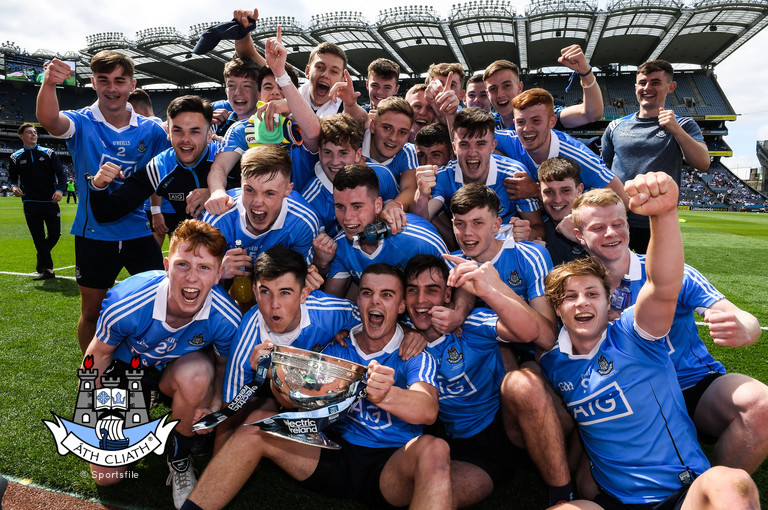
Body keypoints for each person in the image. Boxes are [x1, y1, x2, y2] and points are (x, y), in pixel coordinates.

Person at [540, 172, 759, 510]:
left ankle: (704, 492)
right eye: (598, 228)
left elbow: (669, 286)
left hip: (691, 381)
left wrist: (747, 326)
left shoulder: (658, 286)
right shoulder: (575, 309)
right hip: (622, 392)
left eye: (618, 223)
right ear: (579, 236)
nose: (611, 233)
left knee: (758, 413)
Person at [182, 263, 451, 510]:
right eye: (367, 293)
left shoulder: (413, 354)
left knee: (434, 448)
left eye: (387, 295)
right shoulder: (338, 345)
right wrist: (278, 373)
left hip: (390, 467)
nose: (376, 301)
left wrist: (384, 394)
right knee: (259, 422)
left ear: (402, 306)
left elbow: (427, 410)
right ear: (358, 300)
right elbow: (292, 403)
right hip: (333, 454)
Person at [82, 219, 241, 509]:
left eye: (204, 267)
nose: (192, 278)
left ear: (218, 274)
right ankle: (133, 417)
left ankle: (179, 456)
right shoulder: (128, 301)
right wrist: (94, 407)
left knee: (199, 373)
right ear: (167, 265)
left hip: (175, 372)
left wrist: (215, 405)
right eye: (183, 265)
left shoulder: (225, 316)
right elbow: (98, 357)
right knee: (107, 475)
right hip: (125, 371)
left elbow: (222, 366)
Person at [404, 254, 571, 507]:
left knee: (522, 382)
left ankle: (562, 497)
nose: (421, 300)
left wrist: (488, 291)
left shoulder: (471, 322)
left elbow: (532, 332)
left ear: (448, 296)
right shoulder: (401, 337)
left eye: (432, 290)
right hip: (470, 448)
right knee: (434, 497)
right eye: (412, 291)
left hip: (507, 421)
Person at [36, 50, 170, 354]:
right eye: (103, 80)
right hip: (93, 234)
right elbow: (50, 122)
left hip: (138, 234)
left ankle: (152, 368)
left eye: (119, 81)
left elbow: (158, 174)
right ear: (94, 83)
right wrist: (48, 83)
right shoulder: (82, 121)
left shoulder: (150, 130)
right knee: (92, 312)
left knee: (160, 302)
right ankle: (91, 374)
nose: (112, 88)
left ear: (132, 85)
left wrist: (159, 209)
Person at [601, 59, 710, 253]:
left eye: (655, 82)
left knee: (658, 280)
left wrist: (676, 130)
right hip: (617, 219)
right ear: (635, 87)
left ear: (671, 87)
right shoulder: (615, 126)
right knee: (613, 277)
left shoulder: (684, 125)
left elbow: (703, 163)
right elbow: (603, 171)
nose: (647, 88)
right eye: (642, 82)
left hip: (658, 222)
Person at [202, 145, 320, 301]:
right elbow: (195, 280)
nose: (257, 202)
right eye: (249, 190)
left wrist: (306, 280)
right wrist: (217, 272)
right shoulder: (218, 219)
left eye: (269, 193)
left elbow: (302, 280)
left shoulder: (303, 222)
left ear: (287, 190)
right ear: (241, 182)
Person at [86, 95, 218, 232]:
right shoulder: (160, 167)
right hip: (200, 247)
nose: (185, 139)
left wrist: (215, 192)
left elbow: (241, 188)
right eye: (177, 131)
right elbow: (107, 213)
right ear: (168, 133)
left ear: (209, 135)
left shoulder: (224, 158)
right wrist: (98, 185)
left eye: (195, 132)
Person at [317, 164, 448, 298]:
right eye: (340, 207)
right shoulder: (340, 246)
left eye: (357, 206)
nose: (347, 217)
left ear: (378, 205)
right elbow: (332, 303)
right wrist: (319, 265)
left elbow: (451, 295)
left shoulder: (420, 240)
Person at [413, 107, 545, 239]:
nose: (472, 153)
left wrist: (528, 233)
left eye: (480, 144)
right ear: (454, 148)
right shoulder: (444, 175)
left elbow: (538, 228)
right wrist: (422, 195)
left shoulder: (514, 175)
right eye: (464, 144)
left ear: (493, 146)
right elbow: (421, 221)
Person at [494, 88, 627, 205]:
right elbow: (476, 137)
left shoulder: (578, 157)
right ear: (514, 123)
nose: (527, 128)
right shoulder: (508, 140)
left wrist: (536, 190)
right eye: (521, 122)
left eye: (536, 121)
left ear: (552, 121)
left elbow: (622, 201)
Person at [301, 114, 398, 235]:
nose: (335, 161)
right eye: (327, 152)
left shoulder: (381, 174)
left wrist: (394, 205)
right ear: (319, 154)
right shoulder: (310, 200)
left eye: (343, 153)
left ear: (358, 155)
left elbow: (396, 206)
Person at [483, 45, 603, 131]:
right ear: (487, 94)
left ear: (520, 88)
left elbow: (590, 113)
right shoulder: (488, 125)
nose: (500, 94)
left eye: (507, 86)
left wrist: (585, 73)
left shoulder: (541, 115)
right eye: (493, 89)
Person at [9, 123, 67, 280]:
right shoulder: (15, 157)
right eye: (29, 132)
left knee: (55, 235)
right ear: (21, 136)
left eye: (35, 132)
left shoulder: (48, 153)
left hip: (50, 201)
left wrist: (60, 190)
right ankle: (48, 270)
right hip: (30, 202)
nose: (33, 134)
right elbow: (12, 178)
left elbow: (62, 175)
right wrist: (14, 187)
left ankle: (41, 254)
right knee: (38, 237)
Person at [537, 157, 587, 266]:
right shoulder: (536, 229)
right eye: (549, 192)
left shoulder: (599, 225)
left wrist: (582, 241)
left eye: (565, 191)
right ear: (540, 194)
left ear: (579, 190)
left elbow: (620, 267)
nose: (557, 199)